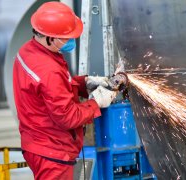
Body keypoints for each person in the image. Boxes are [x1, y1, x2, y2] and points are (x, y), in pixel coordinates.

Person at [13, 2, 116, 179]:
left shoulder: (28, 52)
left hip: (38, 141)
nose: (70, 41)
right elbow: (67, 117)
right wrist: (95, 103)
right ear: (49, 38)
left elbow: (51, 91)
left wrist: (84, 83)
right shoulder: (48, 70)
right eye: (66, 37)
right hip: (52, 150)